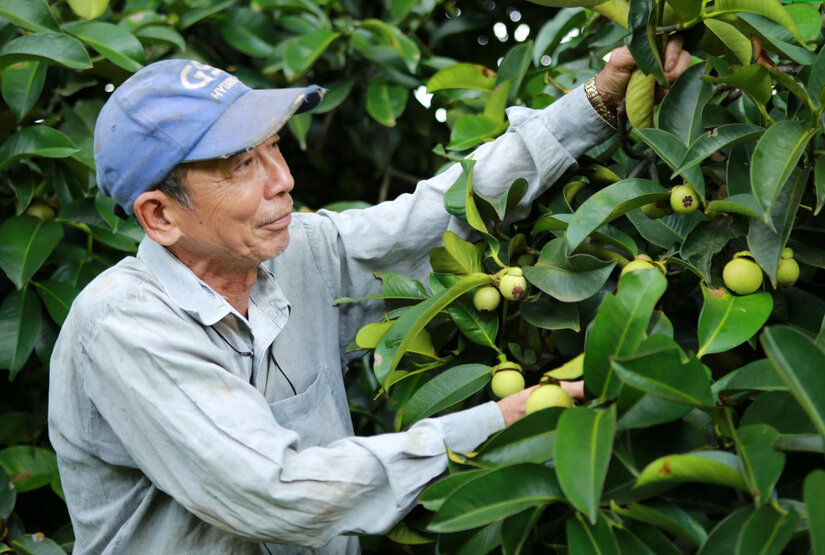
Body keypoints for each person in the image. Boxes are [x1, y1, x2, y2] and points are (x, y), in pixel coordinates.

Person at [48, 35, 691, 554]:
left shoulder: (300, 253)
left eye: (274, 147)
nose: (284, 180)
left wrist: (599, 101)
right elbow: (276, 491)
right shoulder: (122, 324)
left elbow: (441, 216)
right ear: (160, 216)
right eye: (241, 164)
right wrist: (499, 422)